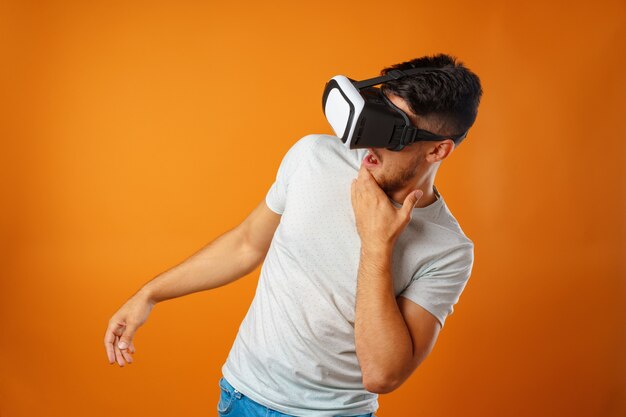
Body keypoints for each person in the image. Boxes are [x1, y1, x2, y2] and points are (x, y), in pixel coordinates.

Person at [103, 52, 483, 417]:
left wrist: (376, 245)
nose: (367, 142)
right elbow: (247, 244)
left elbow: (383, 374)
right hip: (240, 396)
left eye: (391, 130)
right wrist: (148, 295)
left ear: (438, 150)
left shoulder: (446, 250)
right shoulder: (313, 156)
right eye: (375, 115)